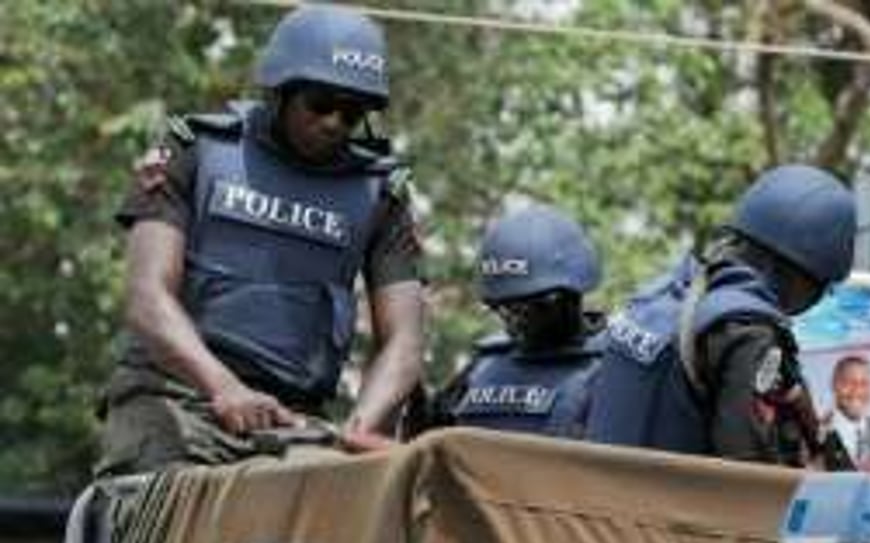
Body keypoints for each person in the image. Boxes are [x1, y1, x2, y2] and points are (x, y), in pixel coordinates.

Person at [98, 4, 425, 476]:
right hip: (177, 397)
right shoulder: (195, 150)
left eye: (351, 113)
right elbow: (147, 298)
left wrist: (358, 429)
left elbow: (405, 342)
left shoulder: (380, 194)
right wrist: (224, 387)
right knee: (170, 517)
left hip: (297, 422)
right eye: (320, 104)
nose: (333, 122)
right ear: (281, 92)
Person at [585, 164, 857, 465]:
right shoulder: (748, 331)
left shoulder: (659, 297)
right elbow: (749, 471)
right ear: (802, 274)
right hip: (666, 507)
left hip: (594, 501)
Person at [431, 205, 604, 438]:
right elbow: (427, 444)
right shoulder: (484, 366)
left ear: (569, 297)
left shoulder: (613, 367)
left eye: (528, 307)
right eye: (502, 308)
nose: (515, 321)